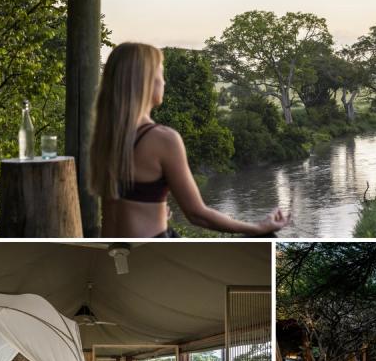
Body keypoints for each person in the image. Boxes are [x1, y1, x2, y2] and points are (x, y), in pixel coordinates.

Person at [88, 42, 291, 237]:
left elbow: (126, 208)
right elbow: (197, 215)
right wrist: (257, 227)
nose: (164, 81)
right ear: (146, 82)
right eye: (161, 74)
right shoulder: (162, 139)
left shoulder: (105, 139)